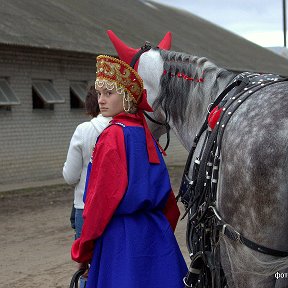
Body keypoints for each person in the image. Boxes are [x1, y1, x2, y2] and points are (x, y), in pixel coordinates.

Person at [71, 55, 187, 288]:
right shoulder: (146, 135)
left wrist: (84, 248)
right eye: (100, 93)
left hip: (119, 241)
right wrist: (160, 234)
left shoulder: (112, 136)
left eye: (108, 93)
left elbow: (100, 200)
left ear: (125, 96)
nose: (101, 100)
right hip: (155, 235)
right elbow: (168, 202)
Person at [63, 85, 111, 277]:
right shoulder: (130, 128)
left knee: (86, 268)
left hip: (85, 207)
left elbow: (70, 176)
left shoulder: (83, 130)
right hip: (115, 209)